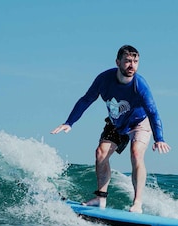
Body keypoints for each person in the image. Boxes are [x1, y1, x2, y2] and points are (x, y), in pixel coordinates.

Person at [51, 45, 171, 213]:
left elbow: (153, 112)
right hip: (117, 123)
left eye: (135, 62)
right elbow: (86, 100)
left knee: (136, 153)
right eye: (128, 61)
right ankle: (100, 199)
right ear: (118, 62)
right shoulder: (104, 80)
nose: (132, 65)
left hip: (139, 123)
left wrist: (159, 138)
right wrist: (69, 122)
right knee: (100, 153)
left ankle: (137, 203)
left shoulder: (140, 85)